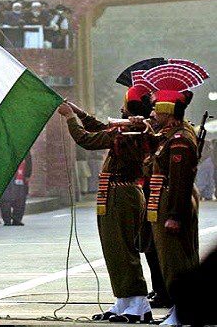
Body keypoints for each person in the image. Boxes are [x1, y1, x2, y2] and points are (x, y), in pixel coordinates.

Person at [58, 79, 155, 322]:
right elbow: (101, 128)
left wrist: (70, 118)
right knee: (114, 249)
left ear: (130, 110)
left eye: (125, 107)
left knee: (124, 249)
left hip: (122, 194)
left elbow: (88, 140)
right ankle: (123, 300)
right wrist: (80, 112)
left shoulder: (131, 130)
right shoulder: (131, 128)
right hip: (116, 193)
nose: (121, 111)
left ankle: (139, 304)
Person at [142, 61, 208, 325]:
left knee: (176, 262)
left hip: (172, 202)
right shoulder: (169, 135)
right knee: (173, 260)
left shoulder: (179, 139)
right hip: (166, 200)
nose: (154, 114)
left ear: (168, 111)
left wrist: (174, 215)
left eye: (158, 109)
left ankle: (183, 311)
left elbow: (180, 181)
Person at [0, 153, 32, 226]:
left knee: (20, 199)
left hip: (21, 174)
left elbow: (29, 161)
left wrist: (27, 174)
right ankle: (7, 220)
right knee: (5, 199)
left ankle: (17, 219)